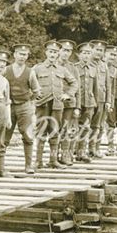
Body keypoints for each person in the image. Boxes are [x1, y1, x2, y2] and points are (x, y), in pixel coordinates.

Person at [2, 43, 40, 174]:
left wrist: (28, 100)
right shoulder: (6, 70)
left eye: (25, 54)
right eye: (20, 54)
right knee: (4, 136)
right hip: (9, 107)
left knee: (28, 135)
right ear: (14, 55)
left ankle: (28, 165)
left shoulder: (30, 72)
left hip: (24, 107)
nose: (22, 57)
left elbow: (36, 91)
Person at [33, 41, 68, 169]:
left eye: (55, 52)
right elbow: (29, 82)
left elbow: (74, 83)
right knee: (41, 131)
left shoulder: (62, 69)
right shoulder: (37, 68)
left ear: (58, 54)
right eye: (50, 52)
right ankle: (38, 161)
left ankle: (53, 160)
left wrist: (67, 94)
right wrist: (34, 93)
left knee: (55, 132)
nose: (53, 54)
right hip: (42, 105)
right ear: (46, 52)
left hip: (57, 105)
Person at [56, 40, 80, 165]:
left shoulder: (73, 68)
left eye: (69, 51)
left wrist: (78, 107)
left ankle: (65, 154)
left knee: (66, 129)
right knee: (53, 128)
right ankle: (53, 155)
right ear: (59, 51)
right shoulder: (53, 64)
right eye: (64, 50)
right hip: (54, 103)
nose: (66, 53)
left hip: (69, 104)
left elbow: (78, 88)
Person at [74, 43, 97, 160]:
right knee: (73, 127)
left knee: (85, 127)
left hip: (89, 102)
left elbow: (95, 87)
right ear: (79, 55)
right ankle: (70, 151)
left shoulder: (93, 68)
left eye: (88, 53)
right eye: (84, 53)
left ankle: (81, 152)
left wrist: (95, 102)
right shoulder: (75, 68)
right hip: (77, 102)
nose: (86, 56)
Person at [90, 41, 111, 157]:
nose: (98, 53)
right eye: (97, 50)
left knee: (99, 126)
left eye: (101, 51)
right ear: (92, 50)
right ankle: (82, 149)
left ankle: (95, 148)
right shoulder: (87, 64)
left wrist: (108, 101)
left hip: (102, 100)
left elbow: (108, 85)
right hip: (89, 99)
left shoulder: (104, 65)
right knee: (86, 125)